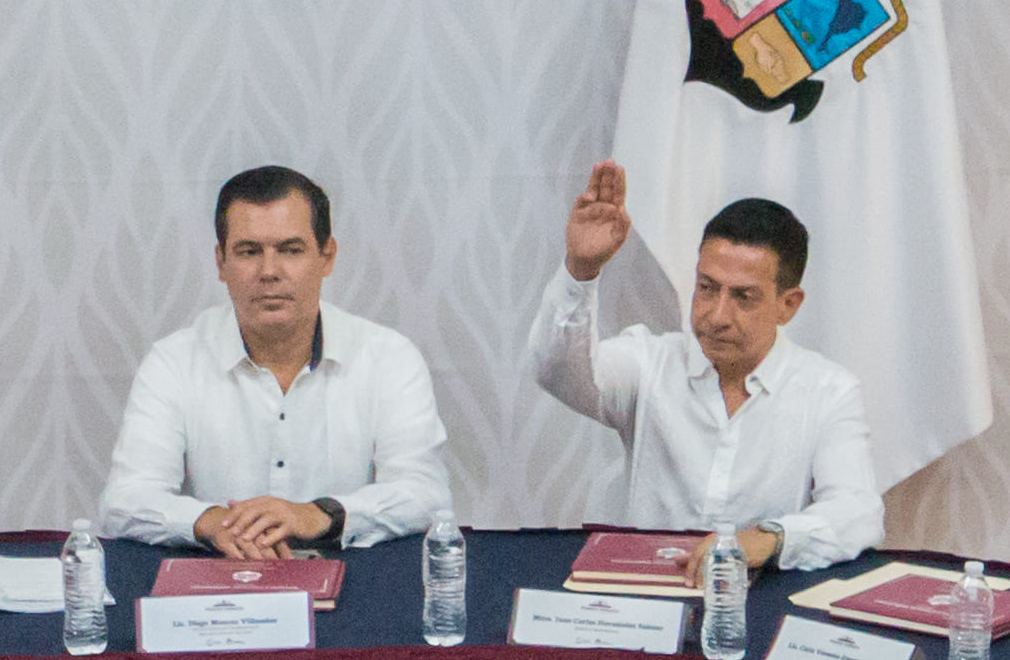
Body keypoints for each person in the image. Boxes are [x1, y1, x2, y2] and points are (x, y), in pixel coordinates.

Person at [533, 167, 879, 568]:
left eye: (743, 297)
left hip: (756, 594)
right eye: (707, 288)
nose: (717, 315)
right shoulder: (650, 362)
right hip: (649, 587)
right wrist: (580, 270)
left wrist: (768, 540)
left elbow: (858, 512)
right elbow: (556, 371)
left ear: (788, 305)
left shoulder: (829, 391)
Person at [99, 165, 451, 556]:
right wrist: (213, 522)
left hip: (353, 576)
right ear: (221, 263)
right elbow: (123, 502)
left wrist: (318, 515)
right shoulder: (174, 362)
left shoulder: (388, 358)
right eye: (249, 252)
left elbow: (426, 495)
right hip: (223, 578)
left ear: (327, 257)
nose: (269, 272)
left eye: (290, 250)